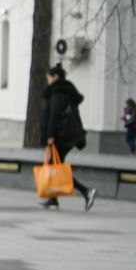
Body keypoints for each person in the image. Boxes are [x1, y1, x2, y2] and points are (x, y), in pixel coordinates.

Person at [39, 64, 97, 210]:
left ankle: (86, 191)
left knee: (56, 167)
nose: (48, 81)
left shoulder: (58, 91)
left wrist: (50, 135)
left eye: (49, 78)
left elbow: (54, 114)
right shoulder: (66, 91)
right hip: (68, 135)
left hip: (62, 136)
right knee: (55, 165)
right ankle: (53, 198)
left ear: (56, 77)